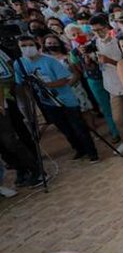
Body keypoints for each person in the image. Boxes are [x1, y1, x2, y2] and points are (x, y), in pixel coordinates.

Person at [14, 35, 99, 164]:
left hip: (65, 99)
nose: (27, 48)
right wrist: (31, 96)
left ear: (36, 46)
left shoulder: (49, 61)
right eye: (23, 46)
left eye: (30, 45)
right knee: (65, 129)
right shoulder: (19, 64)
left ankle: (92, 152)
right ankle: (79, 149)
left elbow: (64, 80)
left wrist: (45, 85)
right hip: (47, 102)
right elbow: (22, 83)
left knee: (78, 127)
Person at [90, 13, 123, 154]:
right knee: (117, 118)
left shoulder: (118, 42)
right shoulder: (95, 43)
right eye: (94, 31)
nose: (98, 33)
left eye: (100, 29)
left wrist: (109, 61)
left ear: (106, 27)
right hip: (112, 85)